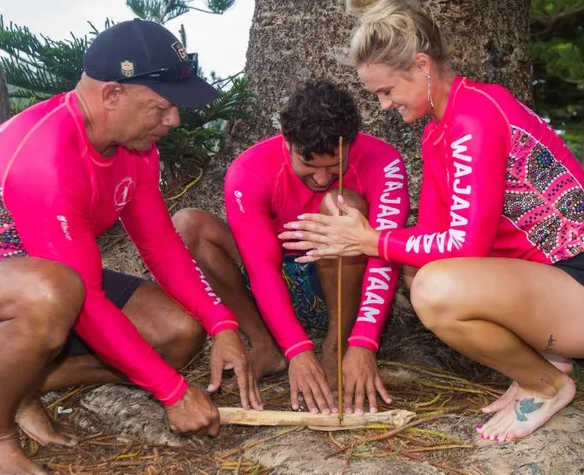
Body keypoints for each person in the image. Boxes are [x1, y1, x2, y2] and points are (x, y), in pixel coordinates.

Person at [279, 0, 584, 443]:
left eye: (387, 91)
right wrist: (372, 241)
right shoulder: (439, 131)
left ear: (422, 66)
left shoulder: (475, 116)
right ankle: (540, 366)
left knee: (434, 288)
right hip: (554, 286)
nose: (384, 105)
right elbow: (434, 236)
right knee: (418, 273)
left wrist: (369, 239)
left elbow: (465, 243)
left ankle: (547, 384)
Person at [0, 19, 261, 475]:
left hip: (46, 280)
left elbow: (161, 244)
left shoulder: (136, 147)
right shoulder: (46, 157)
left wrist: (221, 323)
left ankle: (25, 382)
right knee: (52, 292)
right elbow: (81, 297)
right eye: (163, 106)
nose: (174, 120)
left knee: (178, 332)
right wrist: (172, 392)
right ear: (112, 95)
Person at [172, 81, 410, 417]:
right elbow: (261, 269)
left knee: (339, 205)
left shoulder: (384, 162)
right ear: (287, 142)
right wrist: (297, 349)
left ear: (351, 143)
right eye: (309, 165)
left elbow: (386, 258)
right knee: (188, 225)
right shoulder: (250, 169)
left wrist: (363, 341)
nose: (322, 177)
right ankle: (267, 346)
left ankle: (335, 346)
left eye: (334, 166)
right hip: (274, 283)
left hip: (345, 284)